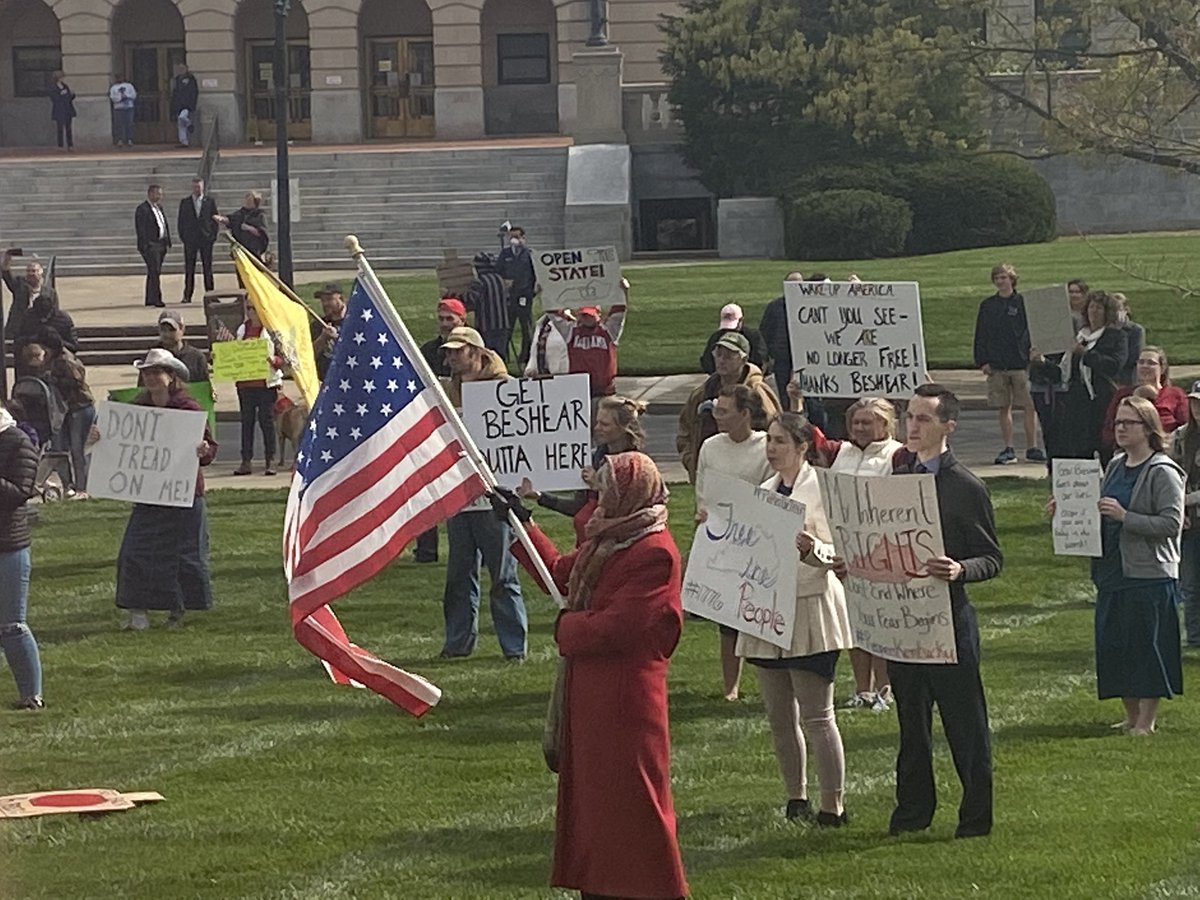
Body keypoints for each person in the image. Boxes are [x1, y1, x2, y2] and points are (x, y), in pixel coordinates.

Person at [505, 451, 689, 900]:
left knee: (632, 802)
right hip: (593, 693)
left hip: (627, 700)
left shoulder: (654, 552)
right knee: (596, 805)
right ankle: (600, 886)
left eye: (606, 490)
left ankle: (650, 887)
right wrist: (521, 525)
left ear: (630, 494)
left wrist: (566, 627)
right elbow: (561, 577)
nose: (598, 499)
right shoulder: (608, 539)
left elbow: (620, 626)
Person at [889, 384, 1002, 839]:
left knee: (965, 726)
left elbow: (991, 558)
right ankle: (913, 812)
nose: (912, 427)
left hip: (950, 625)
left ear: (947, 427)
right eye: (910, 417)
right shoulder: (897, 478)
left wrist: (959, 568)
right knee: (911, 725)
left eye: (923, 419)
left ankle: (975, 818)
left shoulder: (965, 486)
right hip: (904, 623)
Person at [738, 411, 852, 825]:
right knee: (779, 716)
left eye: (781, 441)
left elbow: (838, 551)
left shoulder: (821, 488)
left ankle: (832, 805)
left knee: (818, 715)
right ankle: (795, 796)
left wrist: (811, 549)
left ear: (803, 447)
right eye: (769, 440)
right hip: (767, 610)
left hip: (810, 605)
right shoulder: (763, 491)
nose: (771, 448)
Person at [1087, 396, 1184, 734]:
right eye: (1117, 423)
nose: (1121, 428)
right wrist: (1068, 510)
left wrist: (1126, 517)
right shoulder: (1114, 465)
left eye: (1129, 423)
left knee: (1146, 646)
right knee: (1114, 644)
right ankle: (1129, 715)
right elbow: (1098, 507)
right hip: (1112, 568)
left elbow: (1171, 524)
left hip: (1148, 573)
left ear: (1148, 428)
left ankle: (1146, 720)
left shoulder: (1163, 471)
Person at [103, 349, 216, 630]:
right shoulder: (138, 409)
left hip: (185, 494)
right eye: (148, 372)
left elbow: (210, 449)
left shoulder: (189, 409)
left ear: (172, 376)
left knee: (183, 556)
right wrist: (98, 436)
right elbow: (116, 444)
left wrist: (202, 451)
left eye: (157, 372)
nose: (152, 377)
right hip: (149, 494)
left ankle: (181, 611)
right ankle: (137, 612)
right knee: (134, 551)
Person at [440, 325, 527, 660]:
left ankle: (514, 647)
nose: (450, 357)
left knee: (503, 576)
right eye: (448, 351)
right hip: (459, 497)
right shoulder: (447, 391)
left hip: (495, 500)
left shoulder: (504, 389)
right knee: (459, 577)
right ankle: (458, 643)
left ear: (476, 353)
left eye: (457, 351)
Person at [821, 396, 905, 711]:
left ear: (885, 423)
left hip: (883, 552)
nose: (859, 427)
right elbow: (806, 438)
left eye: (867, 422)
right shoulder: (839, 452)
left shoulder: (897, 455)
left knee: (879, 622)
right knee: (853, 624)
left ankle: (885, 688)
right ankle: (862, 689)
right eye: (855, 422)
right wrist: (795, 401)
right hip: (845, 552)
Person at [694, 384, 774, 703]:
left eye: (724, 411)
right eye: (716, 410)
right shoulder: (710, 446)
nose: (717, 417)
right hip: (722, 540)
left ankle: (775, 680)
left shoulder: (767, 445)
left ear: (745, 414)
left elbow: (773, 491)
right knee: (727, 618)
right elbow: (703, 489)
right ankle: (731, 686)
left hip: (761, 539)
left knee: (764, 615)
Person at [519, 395, 647, 547]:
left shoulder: (638, 467)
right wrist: (539, 497)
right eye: (597, 422)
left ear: (624, 428)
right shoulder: (593, 459)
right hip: (587, 548)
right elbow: (578, 507)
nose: (597, 428)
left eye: (604, 424)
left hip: (619, 548)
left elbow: (629, 513)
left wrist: (599, 485)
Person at [677, 331, 780, 482]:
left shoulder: (758, 392)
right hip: (710, 476)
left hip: (751, 478)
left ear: (744, 359)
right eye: (718, 354)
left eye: (729, 356)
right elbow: (684, 429)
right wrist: (692, 460)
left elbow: (777, 430)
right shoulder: (701, 393)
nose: (722, 360)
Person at [412, 297, 467, 564]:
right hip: (433, 426)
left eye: (450, 319)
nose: (445, 324)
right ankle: (426, 550)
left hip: (466, 429)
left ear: (462, 320)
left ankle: (473, 549)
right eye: (442, 318)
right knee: (426, 486)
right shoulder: (428, 351)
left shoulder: (475, 351)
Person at [972, 263, 1044, 464]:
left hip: (1021, 363)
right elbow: (981, 334)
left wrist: (1034, 352)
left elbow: (1033, 329)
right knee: (1004, 406)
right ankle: (1008, 447)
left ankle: (1032, 447)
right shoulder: (988, 305)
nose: (1000, 281)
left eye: (1004, 277)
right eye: (997, 278)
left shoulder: (1023, 302)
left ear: (1012, 279)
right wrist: (982, 360)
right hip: (997, 364)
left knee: (1029, 406)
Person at [1046, 291, 1128, 463]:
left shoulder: (1116, 336)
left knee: (1104, 445)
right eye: (1091, 307)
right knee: (1078, 447)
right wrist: (1040, 362)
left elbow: (1113, 365)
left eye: (1099, 307)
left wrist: (1086, 354)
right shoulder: (1079, 336)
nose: (1094, 311)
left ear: (1107, 312)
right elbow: (1063, 371)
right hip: (1076, 401)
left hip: (1101, 399)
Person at [0, 400, 42, 709]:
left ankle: (31, 695)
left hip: (7, 545)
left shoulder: (17, 441)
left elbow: (20, 491)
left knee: (12, 625)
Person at [1101, 346, 1189, 462]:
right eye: (1141, 362)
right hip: (1129, 455)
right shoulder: (1122, 394)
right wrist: (1135, 398)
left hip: (1166, 454)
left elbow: (1186, 428)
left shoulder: (1175, 394)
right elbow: (1108, 430)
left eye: (1151, 363)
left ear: (1162, 368)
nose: (1145, 366)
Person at [42, 334, 94, 499]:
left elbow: (76, 381)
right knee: (60, 449)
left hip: (79, 408)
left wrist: (54, 379)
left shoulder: (66, 360)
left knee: (78, 450)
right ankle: (68, 485)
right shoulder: (52, 359)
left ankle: (82, 487)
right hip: (66, 410)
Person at [233, 304, 283, 476]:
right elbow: (233, 354)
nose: (251, 311)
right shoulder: (241, 330)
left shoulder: (272, 331)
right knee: (246, 423)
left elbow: (284, 357)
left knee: (266, 422)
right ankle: (246, 461)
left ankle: (270, 460)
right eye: (248, 307)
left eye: (254, 307)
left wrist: (273, 360)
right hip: (245, 384)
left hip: (266, 385)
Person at [1169, 381, 1200, 649]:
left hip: (1189, 507)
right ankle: (1194, 636)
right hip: (1189, 521)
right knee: (1189, 584)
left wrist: (1184, 501)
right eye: (1194, 402)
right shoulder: (1180, 436)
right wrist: (1181, 510)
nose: (1197, 408)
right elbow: (1172, 476)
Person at [2, 254, 60, 363]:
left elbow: (55, 311)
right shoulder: (20, 285)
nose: (30, 274)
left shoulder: (49, 292)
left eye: (34, 271)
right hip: (21, 330)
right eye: (28, 271)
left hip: (40, 330)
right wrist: (6, 262)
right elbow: (7, 276)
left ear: (41, 273)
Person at [566, 295, 626, 400]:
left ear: (598, 314)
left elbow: (619, 311)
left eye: (590, 315)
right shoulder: (571, 332)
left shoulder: (608, 331)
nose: (587, 319)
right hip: (580, 390)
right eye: (584, 315)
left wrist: (623, 291)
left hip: (605, 391)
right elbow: (555, 313)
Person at [497, 225, 537, 366]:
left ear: (523, 238)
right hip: (508, 296)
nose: (514, 240)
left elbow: (535, 275)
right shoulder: (505, 254)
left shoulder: (529, 255)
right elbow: (498, 271)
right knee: (507, 327)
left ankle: (526, 356)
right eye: (512, 237)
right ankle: (503, 356)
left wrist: (531, 292)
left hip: (524, 295)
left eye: (517, 237)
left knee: (526, 327)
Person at [11, 292, 78, 376]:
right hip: (33, 352)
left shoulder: (63, 319)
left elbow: (74, 346)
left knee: (68, 360)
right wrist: (34, 338)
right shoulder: (28, 317)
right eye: (39, 315)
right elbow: (18, 341)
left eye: (46, 316)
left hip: (57, 353)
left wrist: (57, 340)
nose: (43, 319)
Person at [177, 178, 219, 303]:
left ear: (203, 187)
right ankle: (187, 295)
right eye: (195, 187)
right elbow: (181, 222)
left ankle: (211, 294)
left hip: (206, 239)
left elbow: (214, 219)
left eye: (199, 187)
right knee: (190, 269)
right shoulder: (185, 202)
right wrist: (184, 237)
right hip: (191, 240)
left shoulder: (209, 202)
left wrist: (212, 236)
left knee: (208, 268)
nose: (197, 189)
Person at [700, 303, 768, 374]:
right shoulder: (715, 337)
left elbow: (761, 362)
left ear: (741, 321)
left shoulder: (754, 337)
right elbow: (707, 362)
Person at [465, 254, 510, 359]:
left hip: (486, 325)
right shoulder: (500, 280)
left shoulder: (479, 282)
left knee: (487, 354)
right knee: (499, 354)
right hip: (503, 324)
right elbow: (508, 300)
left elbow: (471, 301)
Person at [135, 184, 171, 308]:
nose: (160, 196)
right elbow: (141, 229)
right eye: (157, 193)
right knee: (154, 271)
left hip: (161, 244)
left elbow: (163, 224)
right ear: (150, 194)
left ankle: (150, 298)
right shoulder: (142, 209)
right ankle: (157, 298)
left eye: (160, 194)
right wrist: (146, 246)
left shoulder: (159, 207)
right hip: (151, 245)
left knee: (154, 272)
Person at [154, 309, 209, 383]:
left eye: (171, 330)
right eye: (163, 330)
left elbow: (204, 387)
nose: (167, 334)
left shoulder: (197, 357)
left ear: (182, 329)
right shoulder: (152, 358)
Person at [311, 283, 349, 381]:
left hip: (349, 378)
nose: (325, 304)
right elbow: (309, 355)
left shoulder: (353, 321)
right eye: (322, 300)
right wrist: (323, 338)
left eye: (329, 299)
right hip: (325, 381)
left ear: (340, 298)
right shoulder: (319, 324)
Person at [216, 192, 269, 260]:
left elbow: (262, 233)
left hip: (254, 248)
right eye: (246, 199)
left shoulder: (260, 215)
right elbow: (231, 220)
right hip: (241, 247)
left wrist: (249, 228)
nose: (247, 201)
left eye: (250, 200)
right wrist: (221, 219)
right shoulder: (241, 213)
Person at [525, 308, 573, 377]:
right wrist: (531, 368)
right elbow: (535, 350)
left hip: (563, 377)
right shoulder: (542, 323)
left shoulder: (571, 323)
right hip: (542, 378)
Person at [1113, 294, 1145, 388]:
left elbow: (1134, 357)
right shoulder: (1105, 329)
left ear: (1125, 310)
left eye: (1117, 309)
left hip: (1127, 379)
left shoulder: (1135, 330)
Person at [169, 62, 199, 148]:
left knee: (182, 117)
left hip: (187, 104)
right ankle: (183, 141)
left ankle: (189, 124)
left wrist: (192, 103)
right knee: (180, 125)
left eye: (182, 69)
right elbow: (175, 92)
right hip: (179, 104)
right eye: (179, 69)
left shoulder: (191, 79)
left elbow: (194, 92)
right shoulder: (177, 79)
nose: (180, 70)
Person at [48, 72, 76, 152]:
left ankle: (70, 145)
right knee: (60, 128)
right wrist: (62, 95)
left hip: (67, 109)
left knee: (68, 128)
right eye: (61, 77)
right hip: (59, 110)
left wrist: (72, 95)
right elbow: (54, 98)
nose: (62, 79)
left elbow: (69, 97)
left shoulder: (65, 86)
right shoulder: (53, 88)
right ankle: (60, 145)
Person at [109, 73, 137, 147]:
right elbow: (113, 97)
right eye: (118, 78)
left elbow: (134, 95)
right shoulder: (114, 88)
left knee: (129, 124)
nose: (119, 79)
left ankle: (129, 139)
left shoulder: (129, 86)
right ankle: (119, 140)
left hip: (129, 107)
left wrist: (127, 96)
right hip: (118, 108)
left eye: (120, 77)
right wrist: (120, 98)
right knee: (119, 124)